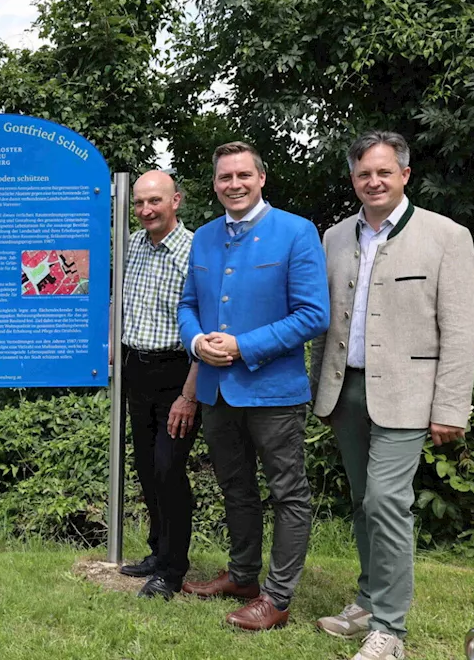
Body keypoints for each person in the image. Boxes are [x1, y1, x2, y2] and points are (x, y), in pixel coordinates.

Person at [310, 131, 474, 660]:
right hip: (346, 390)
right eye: (364, 173)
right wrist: (318, 387)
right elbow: (324, 322)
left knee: (387, 500)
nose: (374, 181)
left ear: (405, 174)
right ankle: (365, 599)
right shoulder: (335, 237)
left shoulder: (446, 236)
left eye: (384, 172)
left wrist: (451, 406)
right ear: (353, 179)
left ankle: (390, 629)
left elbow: (462, 327)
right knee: (364, 502)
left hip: (410, 394)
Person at [177, 141, 329, 631]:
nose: (234, 184)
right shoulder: (202, 237)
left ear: (261, 178)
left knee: (288, 494)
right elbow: (187, 305)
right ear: (215, 184)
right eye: (225, 177)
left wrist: (244, 345)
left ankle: (277, 598)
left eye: (243, 175)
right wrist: (197, 340)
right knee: (235, 489)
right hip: (217, 391)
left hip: (274, 392)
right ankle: (242, 576)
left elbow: (313, 314)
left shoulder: (296, 232)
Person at [118, 171, 200, 601]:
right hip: (137, 369)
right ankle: (157, 551)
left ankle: (172, 571)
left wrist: (189, 394)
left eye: (155, 201)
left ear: (176, 201)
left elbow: (207, 324)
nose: (146, 210)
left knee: (169, 470)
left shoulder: (194, 252)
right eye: (139, 203)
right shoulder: (132, 245)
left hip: (178, 373)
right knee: (148, 469)